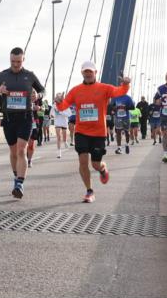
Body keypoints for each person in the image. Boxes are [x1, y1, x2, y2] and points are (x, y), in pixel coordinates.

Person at [56, 61, 131, 203]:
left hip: (98, 133)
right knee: (83, 161)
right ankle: (89, 191)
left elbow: (119, 91)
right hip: (81, 132)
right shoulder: (75, 90)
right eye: (85, 71)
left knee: (95, 164)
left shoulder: (104, 88)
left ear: (95, 73)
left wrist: (126, 84)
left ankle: (103, 169)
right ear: (82, 73)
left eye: (90, 71)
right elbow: (63, 106)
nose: (88, 74)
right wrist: (59, 101)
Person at [0, 47, 45, 199]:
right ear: (10, 60)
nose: (15, 65)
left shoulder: (30, 75)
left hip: (25, 117)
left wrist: (37, 94)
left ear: (23, 60)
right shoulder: (2, 75)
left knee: (22, 150)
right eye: (13, 61)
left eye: (18, 62)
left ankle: (20, 183)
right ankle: (16, 177)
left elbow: (43, 90)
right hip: (8, 119)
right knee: (13, 151)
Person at [51, 92, 70, 158]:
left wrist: (61, 112)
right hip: (57, 122)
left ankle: (65, 141)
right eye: (57, 97)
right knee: (58, 137)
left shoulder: (66, 104)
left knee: (64, 137)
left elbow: (69, 114)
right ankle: (59, 152)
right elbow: (52, 113)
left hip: (64, 122)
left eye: (59, 97)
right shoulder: (54, 105)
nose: (57, 98)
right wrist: (52, 115)